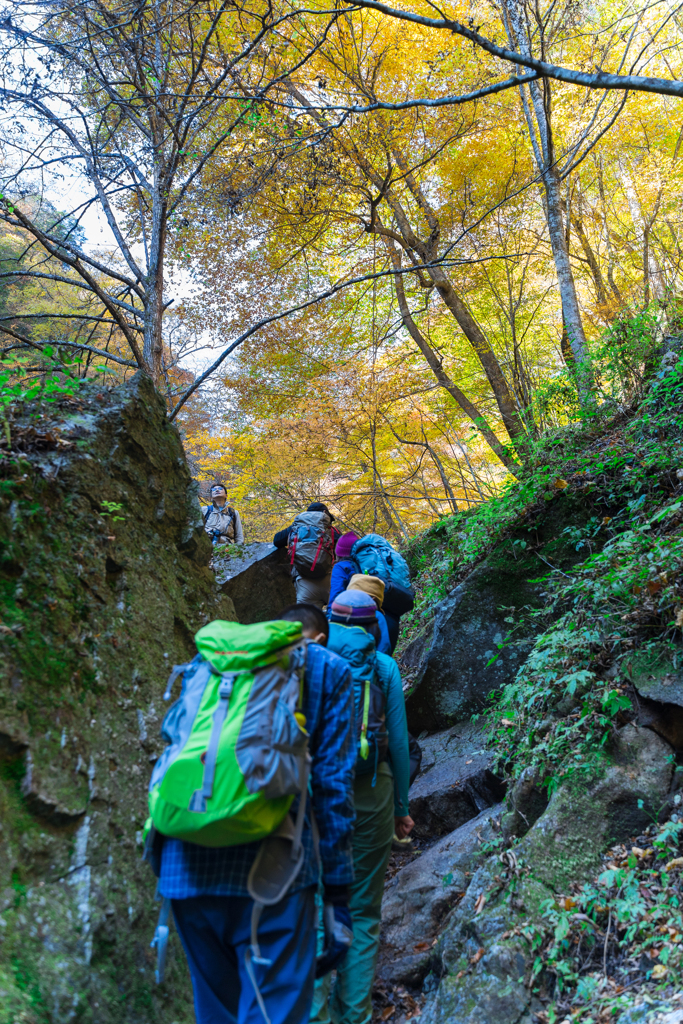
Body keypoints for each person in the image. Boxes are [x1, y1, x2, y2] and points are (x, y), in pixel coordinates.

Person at [157, 606, 356, 1024]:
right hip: (273, 877)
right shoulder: (326, 668)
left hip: (183, 866)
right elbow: (333, 787)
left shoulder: (213, 662)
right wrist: (338, 898)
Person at [311, 589, 414, 1024]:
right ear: (375, 625)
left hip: (316, 796)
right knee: (363, 911)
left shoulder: (309, 659)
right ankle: (353, 1015)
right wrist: (401, 808)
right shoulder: (385, 667)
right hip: (373, 792)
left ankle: (311, 1014)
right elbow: (399, 745)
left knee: (315, 905)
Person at [273, 502, 341, 608]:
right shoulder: (332, 531)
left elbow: (277, 541)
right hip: (329, 581)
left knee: (307, 621)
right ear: (325, 513)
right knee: (338, 618)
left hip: (304, 583)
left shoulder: (296, 529)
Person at [346, 573, 391, 656]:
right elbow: (384, 646)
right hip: (369, 663)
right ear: (374, 599)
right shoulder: (376, 616)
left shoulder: (340, 612)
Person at [329, 532, 360, 607]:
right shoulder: (365, 565)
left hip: (349, 612)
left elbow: (336, 594)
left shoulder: (339, 567)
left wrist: (331, 615)